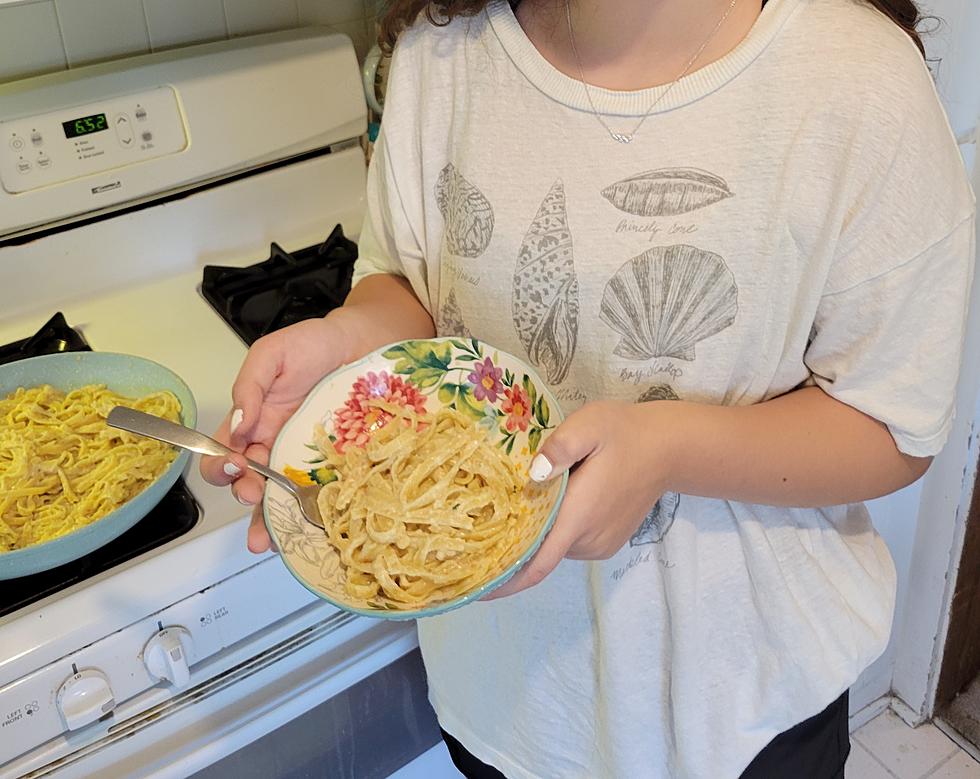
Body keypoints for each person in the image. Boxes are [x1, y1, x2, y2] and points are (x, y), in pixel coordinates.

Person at [201, 0, 976, 775]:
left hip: (749, 707)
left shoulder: (860, 81)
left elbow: (891, 428)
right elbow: (412, 286)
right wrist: (346, 340)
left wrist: (668, 449)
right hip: (508, 697)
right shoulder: (439, 56)